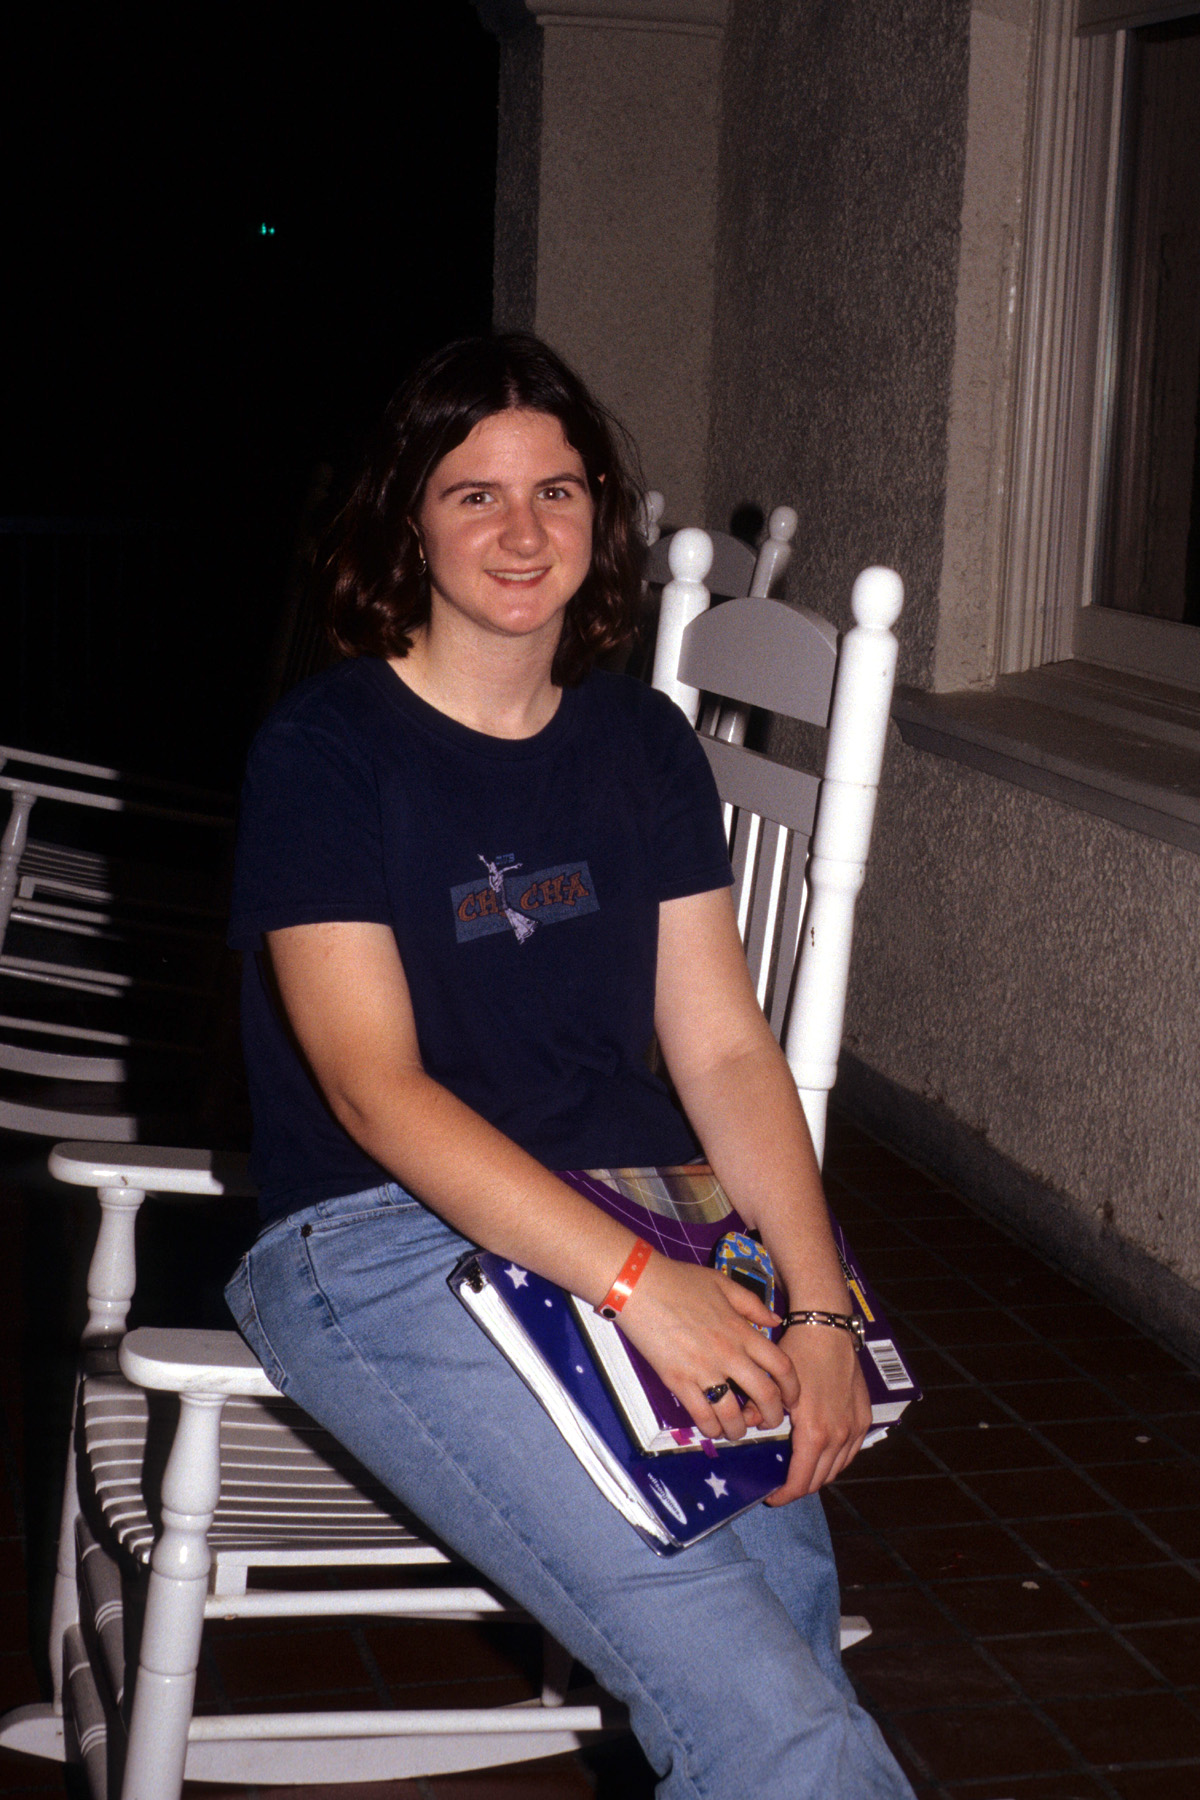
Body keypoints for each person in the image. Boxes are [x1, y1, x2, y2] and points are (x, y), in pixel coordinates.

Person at [225, 332, 915, 1800]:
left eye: (557, 490)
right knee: (777, 1724)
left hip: (640, 1225)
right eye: (473, 494)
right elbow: (371, 1093)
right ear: (406, 520)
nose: (523, 532)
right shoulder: (328, 751)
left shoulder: (640, 743)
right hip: (382, 1241)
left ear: (602, 510)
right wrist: (640, 1288)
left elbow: (724, 1045)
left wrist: (816, 1306)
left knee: (790, 1655)